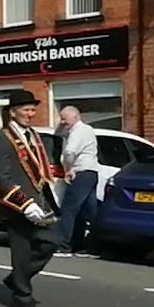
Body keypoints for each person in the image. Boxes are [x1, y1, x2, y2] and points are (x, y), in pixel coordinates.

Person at [0, 90, 57, 307]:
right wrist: (25, 203)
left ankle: (16, 278)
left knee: (50, 243)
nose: (31, 114)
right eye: (26, 109)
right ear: (13, 112)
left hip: (39, 202)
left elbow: (39, 169)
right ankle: (22, 296)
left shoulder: (33, 135)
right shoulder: (2, 137)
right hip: (16, 204)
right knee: (21, 250)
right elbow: (3, 177)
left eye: (32, 109)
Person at [56, 106, 99, 257]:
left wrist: (68, 170)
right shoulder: (87, 130)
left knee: (69, 209)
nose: (62, 122)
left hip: (80, 173)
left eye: (64, 119)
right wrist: (62, 126)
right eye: (60, 118)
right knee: (88, 211)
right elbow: (58, 134)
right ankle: (87, 247)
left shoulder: (78, 132)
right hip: (91, 173)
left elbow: (69, 153)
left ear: (76, 117)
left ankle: (64, 247)